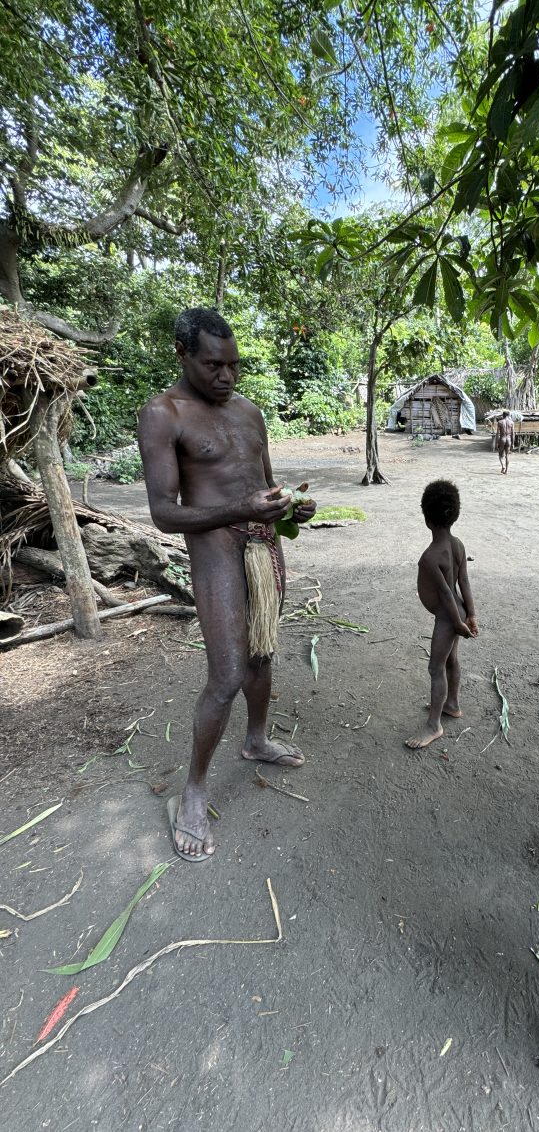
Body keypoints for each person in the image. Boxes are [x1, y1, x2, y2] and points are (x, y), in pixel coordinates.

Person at [137, 308, 316, 861]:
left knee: (262, 656)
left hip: (264, 548)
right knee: (226, 674)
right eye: (213, 365)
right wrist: (241, 508)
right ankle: (192, 791)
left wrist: (291, 508)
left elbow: (263, 485)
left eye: (233, 365)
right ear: (182, 354)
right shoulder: (163, 414)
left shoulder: (249, 412)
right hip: (215, 554)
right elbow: (164, 514)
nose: (226, 376)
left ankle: (256, 739)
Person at [405, 479, 478, 749]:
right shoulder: (458, 545)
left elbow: (447, 594)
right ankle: (452, 703)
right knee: (451, 661)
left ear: (426, 518)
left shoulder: (430, 556)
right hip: (455, 614)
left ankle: (434, 725)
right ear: (454, 514)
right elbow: (464, 583)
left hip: (447, 618)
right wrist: (471, 614)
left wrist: (458, 622)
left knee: (436, 667)